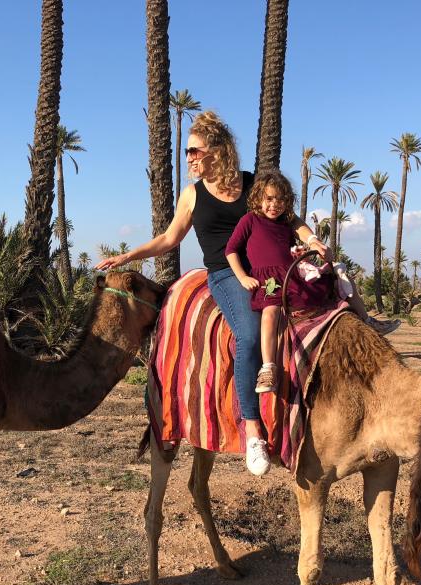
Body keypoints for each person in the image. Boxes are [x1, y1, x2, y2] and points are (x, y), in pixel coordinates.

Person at [96, 111, 394, 477]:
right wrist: (128, 256)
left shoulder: (252, 184)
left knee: (331, 293)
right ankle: (253, 428)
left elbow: (289, 219)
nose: (187, 157)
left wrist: (311, 239)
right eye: (187, 151)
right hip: (226, 274)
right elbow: (169, 239)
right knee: (250, 335)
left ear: (217, 150)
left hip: (271, 269)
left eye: (193, 150)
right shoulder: (192, 195)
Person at [225, 170, 332, 395]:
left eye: (281, 200)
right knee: (270, 312)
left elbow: (296, 240)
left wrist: (308, 246)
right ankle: (268, 367)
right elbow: (231, 250)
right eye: (269, 198)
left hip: (290, 276)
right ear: (258, 198)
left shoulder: (286, 223)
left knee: (325, 295)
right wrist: (243, 277)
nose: (275, 204)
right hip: (268, 280)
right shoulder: (250, 220)